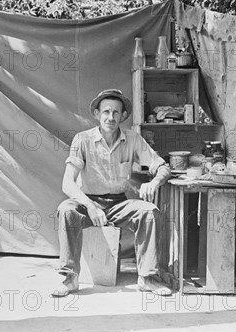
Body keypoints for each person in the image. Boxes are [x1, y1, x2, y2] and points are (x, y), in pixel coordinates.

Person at [52, 88, 172, 297]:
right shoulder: (83, 140)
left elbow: (163, 167)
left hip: (118, 204)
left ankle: (147, 278)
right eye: (106, 112)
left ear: (123, 116)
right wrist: (90, 206)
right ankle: (70, 277)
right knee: (66, 209)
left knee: (149, 211)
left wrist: (154, 182)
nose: (111, 117)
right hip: (88, 202)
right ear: (97, 115)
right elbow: (67, 184)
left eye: (116, 112)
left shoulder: (133, 139)